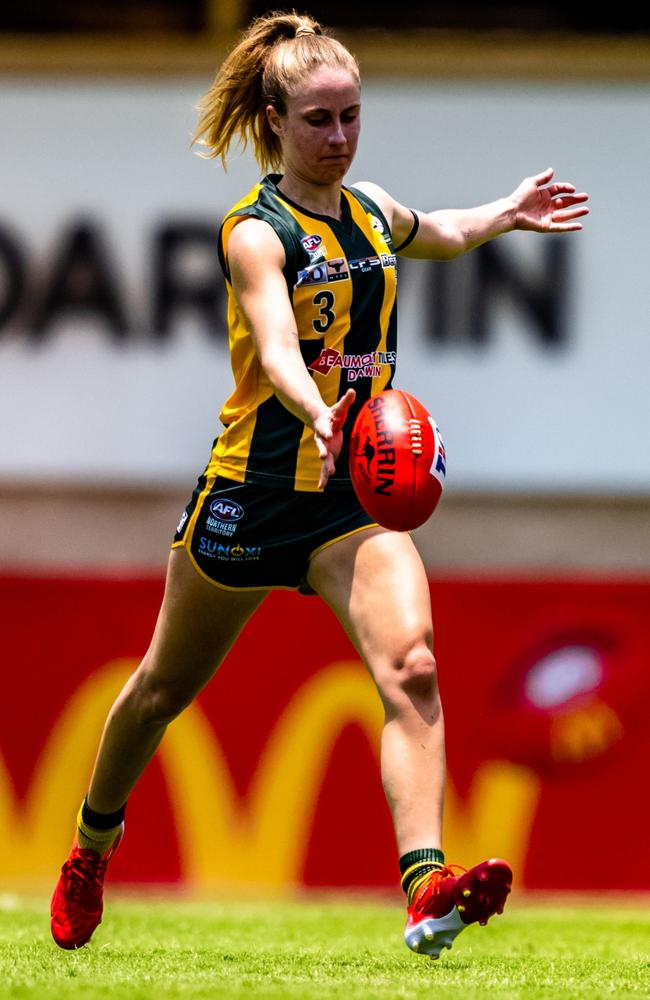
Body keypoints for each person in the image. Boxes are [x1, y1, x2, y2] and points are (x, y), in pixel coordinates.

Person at [50, 11, 588, 960]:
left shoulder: (372, 212)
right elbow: (277, 346)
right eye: (319, 121)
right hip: (255, 490)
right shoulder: (257, 234)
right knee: (159, 692)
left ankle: (427, 889)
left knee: (414, 666)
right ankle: (93, 847)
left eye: (351, 117)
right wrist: (316, 407)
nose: (339, 139)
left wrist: (502, 214)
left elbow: (442, 232)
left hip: (354, 499)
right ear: (274, 119)